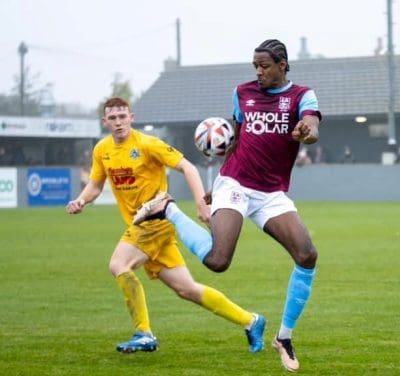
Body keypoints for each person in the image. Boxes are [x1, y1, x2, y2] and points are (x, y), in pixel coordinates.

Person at [133, 39, 320, 372]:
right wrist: (217, 185)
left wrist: (307, 131)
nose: (259, 72)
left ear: (282, 65)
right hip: (234, 182)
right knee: (219, 260)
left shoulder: (301, 96)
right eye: (255, 66)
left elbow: (312, 126)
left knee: (307, 255)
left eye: (264, 66)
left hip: (271, 192)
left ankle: (285, 337)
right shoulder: (242, 92)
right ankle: (169, 209)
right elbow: (236, 136)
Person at [65, 97, 265, 354]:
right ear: (105, 122)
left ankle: (143, 332)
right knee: (187, 289)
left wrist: (202, 206)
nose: (118, 122)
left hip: (155, 220)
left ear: (131, 117)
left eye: (122, 116)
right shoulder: (102, 149)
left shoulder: (148, 144)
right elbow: (95, 185)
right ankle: (251, 321)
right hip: (144, 226)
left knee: (118, 264)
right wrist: (81, 200)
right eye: (112, 118)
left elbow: (188, 167)